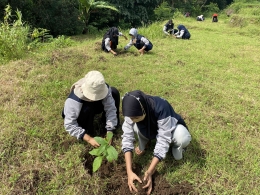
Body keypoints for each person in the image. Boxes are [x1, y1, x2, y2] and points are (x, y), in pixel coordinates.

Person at [121, 90, 192, 194]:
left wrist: (150, 171)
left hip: (171, 129)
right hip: (151, 128)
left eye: (135, 117)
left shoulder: (161, 108)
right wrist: (129, 171)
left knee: (182, 137)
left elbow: (163, 140)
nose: (131, 120)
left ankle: (176, 147)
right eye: (130, 118)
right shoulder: (131, 111)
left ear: (144, 110)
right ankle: (146, 143)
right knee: (135, 127)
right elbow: (127, 138)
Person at [62, 71, 120, 147]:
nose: (95, 99)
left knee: (114, 92)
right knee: (88, 109)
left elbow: (110, 108)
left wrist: (110, 130)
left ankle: (105, 122)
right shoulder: (74, 100)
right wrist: (89, 138)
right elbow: (69, 124)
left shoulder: (102, 87)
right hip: (81, 112)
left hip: (94, 107)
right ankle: (87, 129)